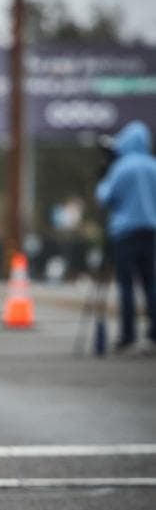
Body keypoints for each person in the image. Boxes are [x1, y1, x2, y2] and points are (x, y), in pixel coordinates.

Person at [95, 120, 156, 353]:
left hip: (125, 234)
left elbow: (104, 198)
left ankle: (128, 335)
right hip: (150, 232)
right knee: (151, 284)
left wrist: (104, 177)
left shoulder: (122, 168)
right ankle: (153, 333)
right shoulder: (153, 166)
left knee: (126, 285)